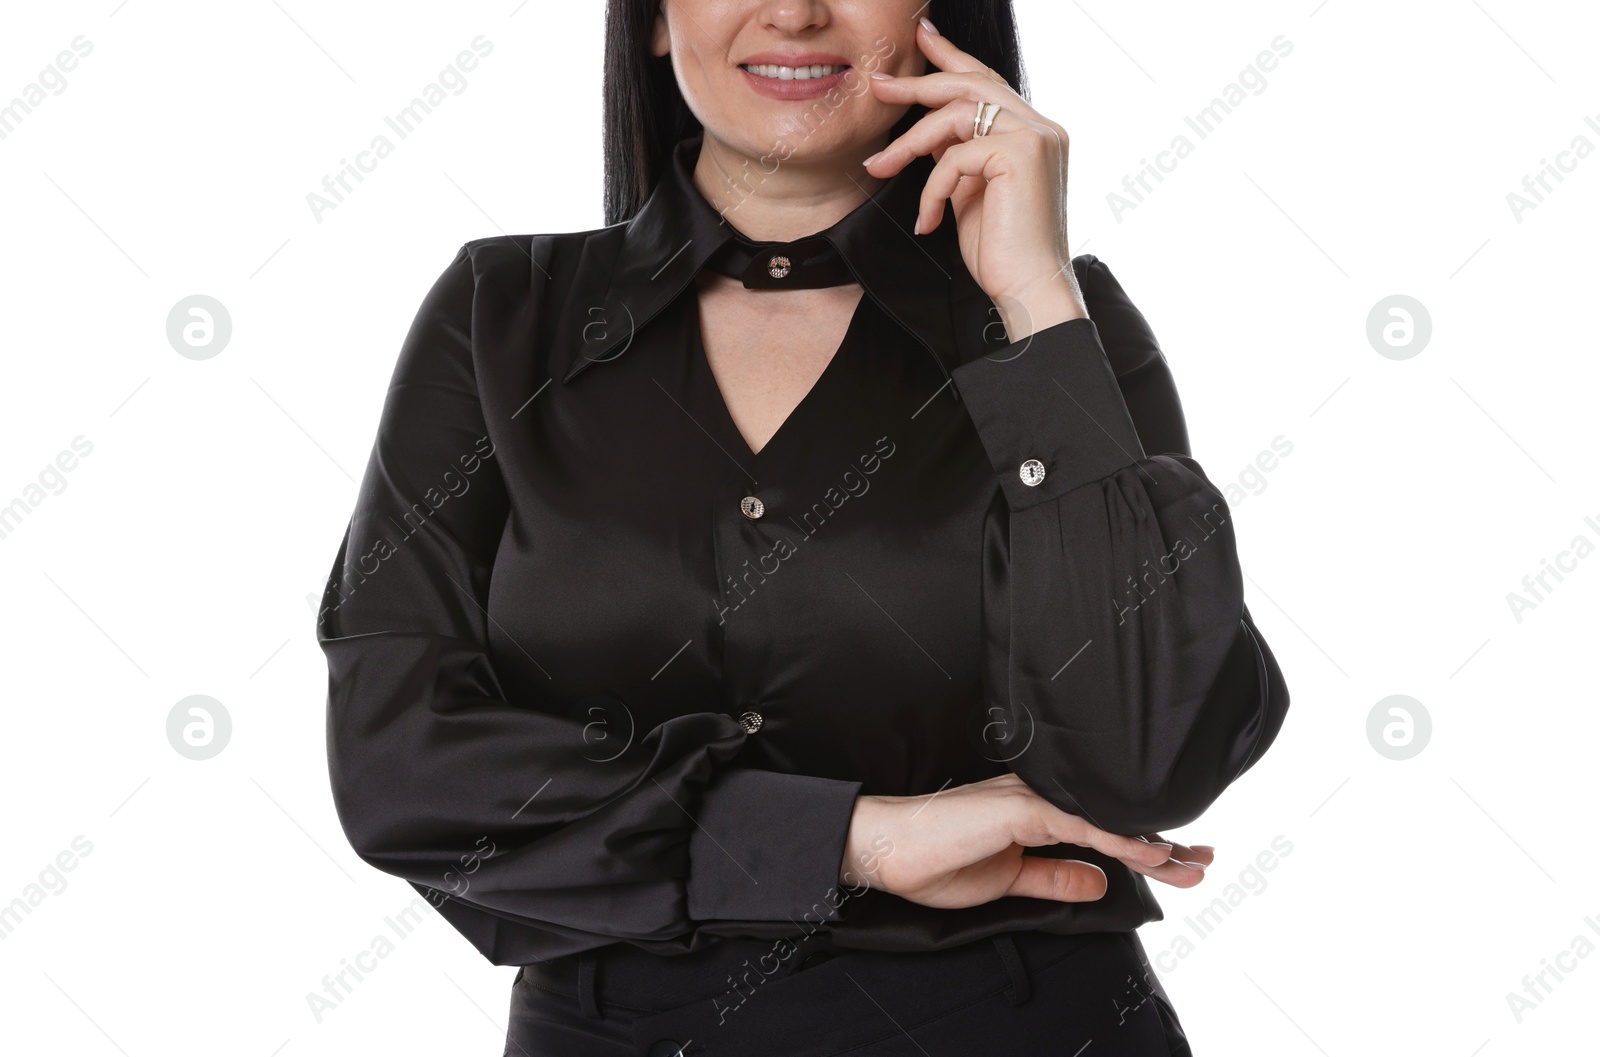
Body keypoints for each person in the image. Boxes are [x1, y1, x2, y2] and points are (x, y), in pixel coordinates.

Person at [315, 2, 1291, 1054]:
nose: (793, 10)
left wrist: (1033, 298)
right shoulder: (498, 317)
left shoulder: (1056, 327)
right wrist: (852, 839)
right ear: (652, 20)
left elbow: (1146, 759)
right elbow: (403, 768)